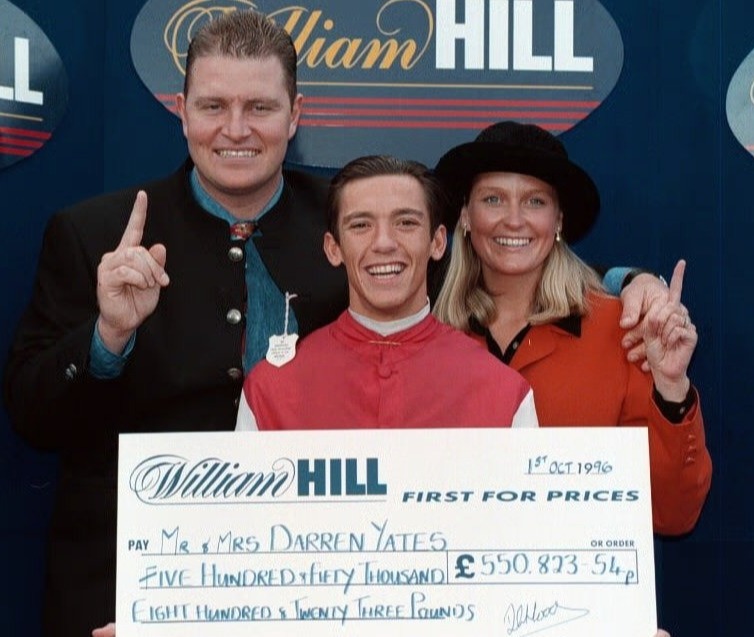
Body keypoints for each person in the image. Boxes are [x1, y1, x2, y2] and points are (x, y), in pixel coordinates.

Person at [2, 11, 347, 637]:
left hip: (315, 588)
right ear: (181, 110)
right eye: (213, 105)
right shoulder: (92, 233)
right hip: (125, 598)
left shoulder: (355, 227)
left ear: (296, 116)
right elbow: (32, 416)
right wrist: (107, 338)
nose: (235, 130)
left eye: (261, 108)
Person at [433, 121, 712, 536]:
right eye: (493, 199)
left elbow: (672, 514)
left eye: (534, 202)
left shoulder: (622, 332)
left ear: (558, 219)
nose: (514, 220)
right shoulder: (430, 336)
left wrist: (671, 387)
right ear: (465, 217)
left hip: (577, 595)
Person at [236, 154, 537, 430]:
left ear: (438, 242)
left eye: (406, 223)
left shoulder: (503, 392)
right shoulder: (269, 392)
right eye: (361, 225)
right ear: (333, 248)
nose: (383, 243)